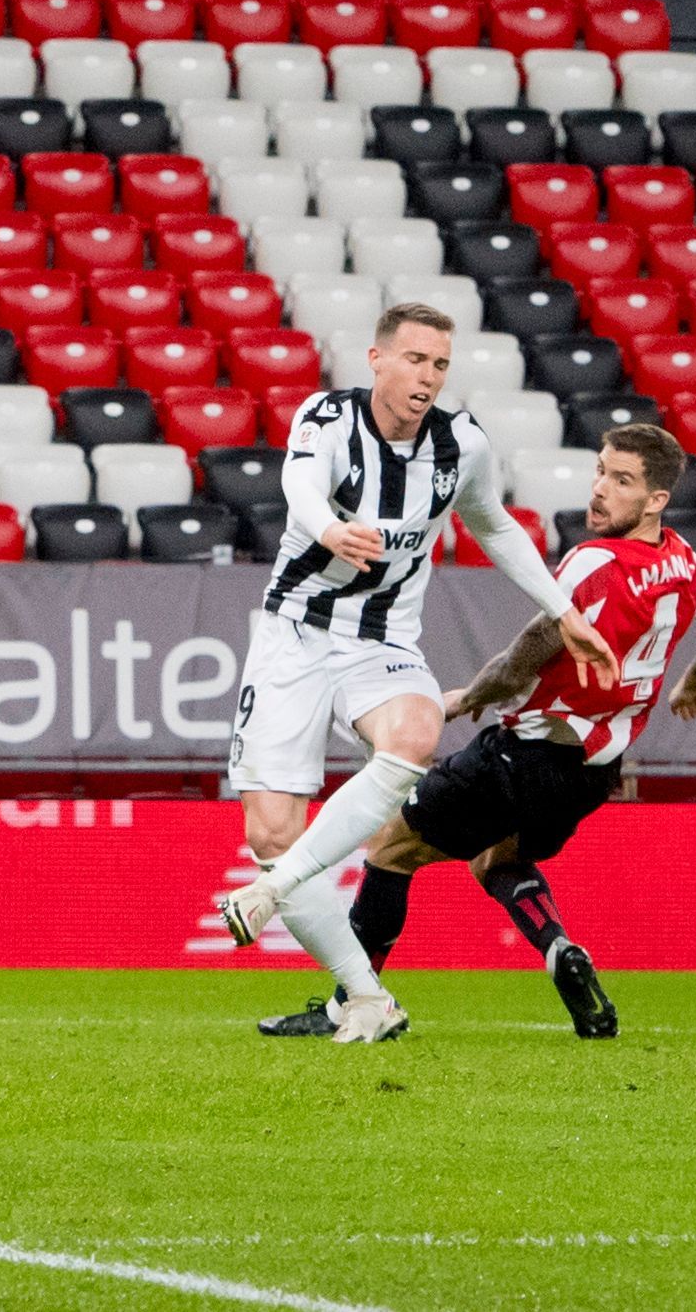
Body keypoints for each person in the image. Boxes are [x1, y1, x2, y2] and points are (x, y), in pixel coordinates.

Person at [222, 426, 696, 1037]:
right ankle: (560, 950)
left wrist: (466, 699)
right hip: (595, 772)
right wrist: (695, 679)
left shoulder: (594, 561)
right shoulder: (684, 563)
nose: (601, 489)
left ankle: (354, 1004)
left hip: (528, 749)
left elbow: (527, 652)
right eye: (602, 471)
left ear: (656, 500)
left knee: (390, 851)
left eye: (622, 480)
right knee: (497, 858)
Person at [212, 302, 607, 1043]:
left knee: (418, 731)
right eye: (416, 360)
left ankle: (275, 888)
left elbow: (493, 524)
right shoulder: (326, 419)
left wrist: (563, 610)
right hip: (294, 638)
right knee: (271, 830)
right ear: (378, 360)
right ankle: (365, 996)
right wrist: (329, 527)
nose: (428, 376)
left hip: (381, 639)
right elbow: (300, 489)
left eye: (440, 365)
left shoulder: (461, 444)